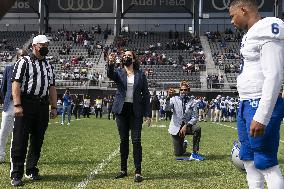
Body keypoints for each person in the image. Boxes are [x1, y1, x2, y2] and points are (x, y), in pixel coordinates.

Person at [229, 0, 284, 188]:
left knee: (265, 162)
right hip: (246, 101)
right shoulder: (249, 34)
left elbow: (274, 74)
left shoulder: (268, 26)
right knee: (248, 160)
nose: (231, 21)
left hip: (259, 102)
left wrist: (262, 115)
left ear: (243, 10)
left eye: (232, 15)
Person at [10, 35, 57, 187]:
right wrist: (17, 105)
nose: (46, 47)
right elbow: (16, 83)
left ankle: (31, 169)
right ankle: (16, 173)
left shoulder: (49, 65)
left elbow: (52, 87)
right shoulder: (24, 62)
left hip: (42, 105)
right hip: (27, 103)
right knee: (20, 139)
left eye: (47, 45)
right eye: (44, 44)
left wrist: (54, 106)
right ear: (35, 46)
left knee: (38, 139)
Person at [107, 50, 151, 182]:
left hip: (135, 110)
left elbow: (146, 94)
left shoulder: (141, 74)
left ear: (133, 59)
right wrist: (110, 63)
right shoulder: (119, 72)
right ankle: (123, 169)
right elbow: (110, 74)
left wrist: (148, 113)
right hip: (122, 110)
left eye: (129, 56)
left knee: (136, 140)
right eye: (124, 56)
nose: (126, 57)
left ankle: (138, 171)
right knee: (123, 140)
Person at [0, 49, 28, 163]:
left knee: (21, 132)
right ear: (17, 57)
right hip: (9, 104)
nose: (23, 58)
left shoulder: (29, 71)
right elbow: (3, 87)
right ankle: (0, 155)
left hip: (23, 104)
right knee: (4, 131)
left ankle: (19, 157)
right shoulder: (8, 69)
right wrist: (6, 100)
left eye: (25, 56)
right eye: (22, 56)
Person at [168, 81, 204, 161]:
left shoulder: (192, 101)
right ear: (179, 90)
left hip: (186, 126)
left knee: (197, 129)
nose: (183, 91)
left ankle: (195, 153)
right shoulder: (173, 99)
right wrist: (168, 97)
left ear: (188, 90)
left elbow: (195, 117)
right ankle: (184, 144)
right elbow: (166, 109)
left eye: (185, 90)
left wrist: (186, 125)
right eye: (181, 90)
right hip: (176, 127)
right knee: (178, 154)